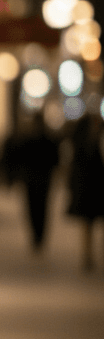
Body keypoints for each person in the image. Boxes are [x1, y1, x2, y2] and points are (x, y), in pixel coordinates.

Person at [14, 114, 59, 250]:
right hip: (39, 179)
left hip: (36, 179)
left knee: (35, 209)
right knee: (40, 209)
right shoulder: (44, 139)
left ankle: (37, 236)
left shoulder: (31, 139)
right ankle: (38, 236)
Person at [67, 112, 104, 270]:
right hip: (88, 189)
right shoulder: (81, 143)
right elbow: (75, 167)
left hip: (99, 188)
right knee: (87, 224)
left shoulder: (99, 141)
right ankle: (87, 254)